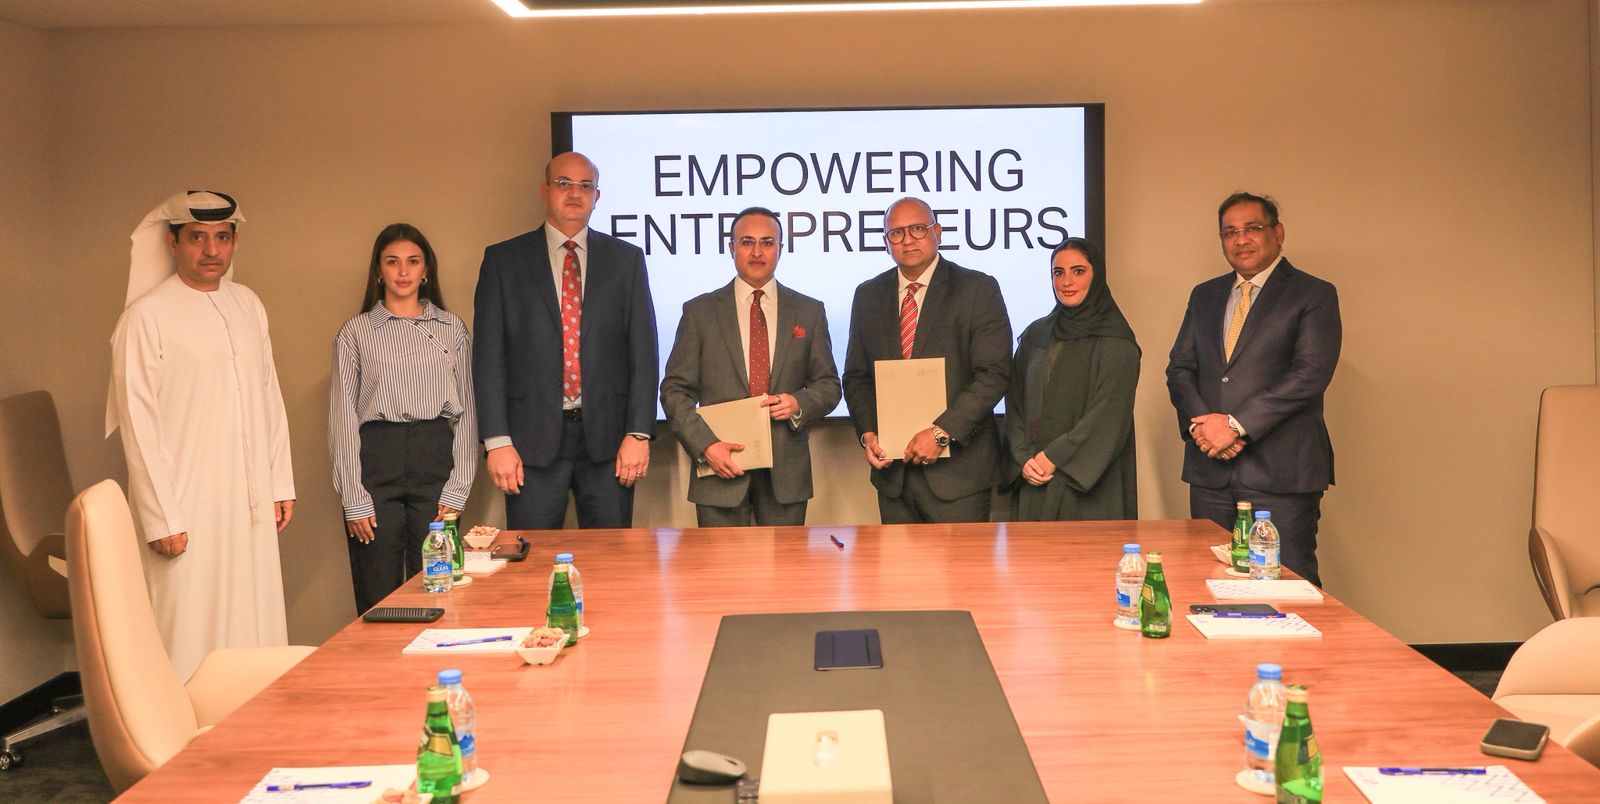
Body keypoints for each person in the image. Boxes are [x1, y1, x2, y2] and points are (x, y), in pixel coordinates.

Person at [107, 190, 295, 680]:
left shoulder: (248, 304)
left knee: (254, 621)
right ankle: (186, 726)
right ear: (172, 243)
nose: (212, 250)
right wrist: (160, 518)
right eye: (197, 238)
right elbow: (138, 423)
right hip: (185, 510)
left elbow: (269, 396)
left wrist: (278, 483)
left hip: (250, 504)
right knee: (189, 631)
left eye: (223, 238)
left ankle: (252, 719)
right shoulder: (145, 317)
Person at [473, 152, 658, 529]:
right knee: (533, 557)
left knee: (612, 555)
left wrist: (638, 433)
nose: (575, 193)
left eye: (585, 186)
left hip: (609, 443)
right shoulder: (504, 260)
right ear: (544, 190)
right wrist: (497, 441)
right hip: (529, 442)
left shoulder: (626, 260)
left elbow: (643, 353)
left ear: (597, 196)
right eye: (564, 183)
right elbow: (488, 359)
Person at [1166, 192, 1341, 586]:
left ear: (1278, 233)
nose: (1240, 239)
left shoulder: (1313, 294)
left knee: (1286, 588)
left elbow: (1310, 374)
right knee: (1210, 585)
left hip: (1281, 473)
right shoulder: (1205, 295)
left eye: (1252, 228)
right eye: (1229, 232)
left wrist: (1234, 425)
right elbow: (1180, 368)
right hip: (1210, 470)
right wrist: (1202, 427)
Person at [660, 207, 842, 526]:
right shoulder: (700, 312)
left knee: (786, 561)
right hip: (719, 467)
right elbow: (675, 391)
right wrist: (705, 446)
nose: (757, 252)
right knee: (721, 561)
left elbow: (828, 385)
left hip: (786, 474)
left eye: (767, 242)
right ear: (732, 248)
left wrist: (799, 403)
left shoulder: (809, 311)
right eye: (747, 242)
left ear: (781, 249)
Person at [329, 223, 477, 613]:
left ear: (426, 269)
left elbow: (467, 413)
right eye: (392, 262)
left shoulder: (451, 329)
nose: (403, 271)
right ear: (379, 271)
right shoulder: (356, 332)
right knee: (378, 587)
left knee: (438, 583)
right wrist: (353, 497)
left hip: (434, 455)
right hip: (377, 458)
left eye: (413, 261)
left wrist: (458, 487)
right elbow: (342, 418)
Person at [842, 197, 1012, 524]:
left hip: (959, 476)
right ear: (886, 243)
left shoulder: (977, 289)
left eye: (918, 229)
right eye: (896, 233)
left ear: (938, 232)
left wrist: (941, 432)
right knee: (896, 562)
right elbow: (856, 377)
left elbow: (995, 373)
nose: (907, 239)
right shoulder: (868, 295)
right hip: (894, 477)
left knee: (961, 561)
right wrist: (868, 433)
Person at [1005, 238, 1140, 521]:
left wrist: (1053, 457)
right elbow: (1015, 405)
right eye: (1058, 272)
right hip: (1034, 477)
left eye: (1078, 271)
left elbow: (1107, 417)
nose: (1066, 282)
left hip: (1089, 487)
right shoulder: (1035, 335)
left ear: (1096, 275)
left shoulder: (1117, 342)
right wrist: (1022, 458)